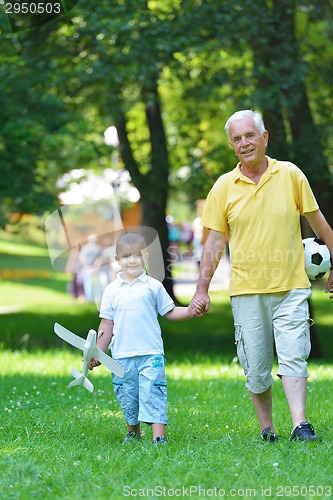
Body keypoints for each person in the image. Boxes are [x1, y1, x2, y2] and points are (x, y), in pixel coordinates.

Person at [190, 109, 333, 443]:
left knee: (294, 353)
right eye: (237, 139)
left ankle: (300, 424)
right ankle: (267, 428)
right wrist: (201, 289)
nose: (244, 143)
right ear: (232, 145)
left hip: (291, 287)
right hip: (247, 291)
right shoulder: (223, 187)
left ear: (264, 137)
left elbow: (319, 224)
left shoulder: (291, 175)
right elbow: (214, 242)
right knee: (255, 368)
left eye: (250, 135)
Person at [88, 231, 205, 444]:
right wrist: (98, 352)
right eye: (125, 256)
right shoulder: (112, 290)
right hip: (122, 355)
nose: (131, 260)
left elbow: (169, 312)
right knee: (127, 395)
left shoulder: (153, 286)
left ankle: (159, 437)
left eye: (137, 255)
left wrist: (189, 311)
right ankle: (133, 433)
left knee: (154, 393)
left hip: (151, 353)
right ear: (117, 260)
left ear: (146, 257)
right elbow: (107, 325)